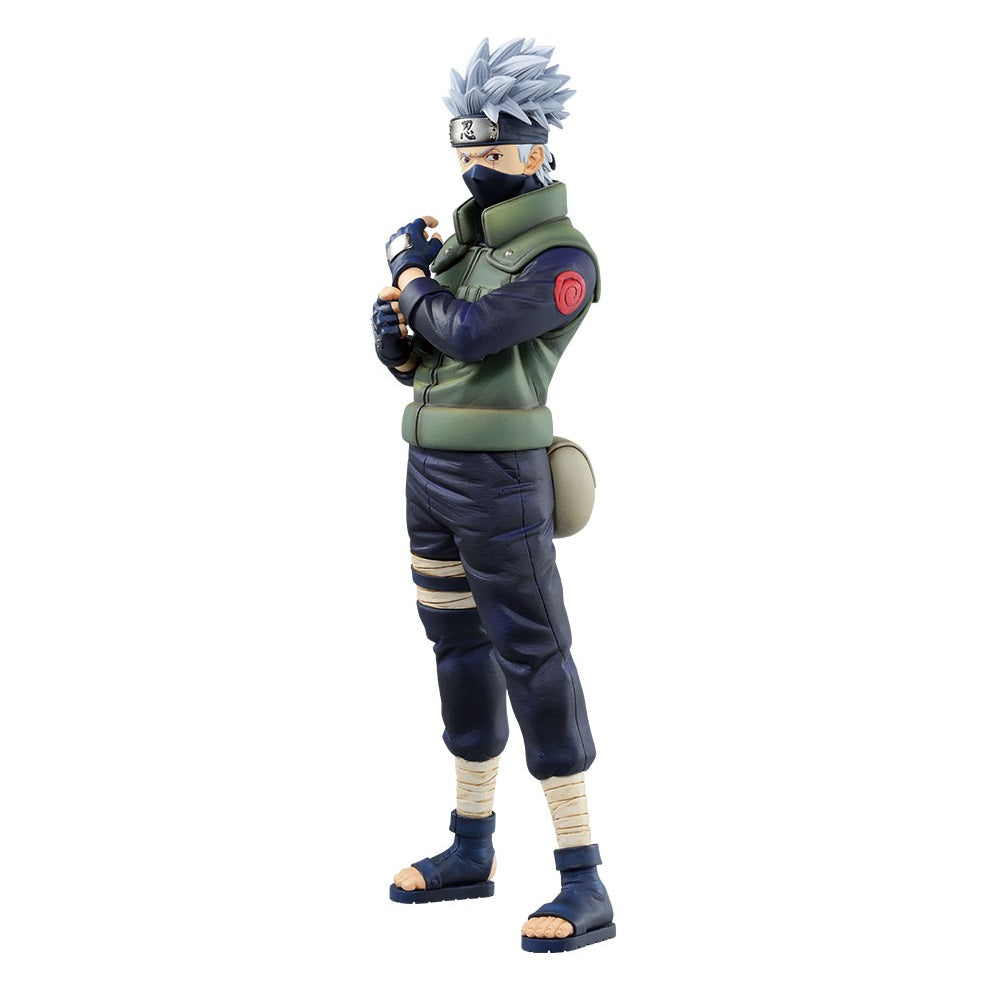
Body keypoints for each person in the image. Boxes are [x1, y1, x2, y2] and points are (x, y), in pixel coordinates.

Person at [370, 38, 615, 953]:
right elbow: (433, 356)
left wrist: (409, 278)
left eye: (494, 145)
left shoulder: (560, 256)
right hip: (429, 473)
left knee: (533, 655)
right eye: (465, 145)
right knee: (456, 649)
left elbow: (470, 333)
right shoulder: (465, 248)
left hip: (502, 481)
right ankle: (471, 843)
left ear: (536, 147)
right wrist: (398, 341)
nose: (474, 163)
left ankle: (583, 876)